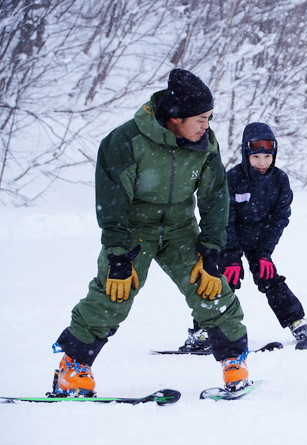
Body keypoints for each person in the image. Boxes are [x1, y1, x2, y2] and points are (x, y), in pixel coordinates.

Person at [50, 68, 252, 396]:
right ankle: (72, 368)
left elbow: (216, 195)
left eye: (209, 117)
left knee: (210, 288)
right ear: (176, 118)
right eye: (201, 118)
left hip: (180, 230)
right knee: (112, 294)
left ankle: (233, 362)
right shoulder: (125, 141)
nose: (207, 124)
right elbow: (112, 203)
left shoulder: (204, 142)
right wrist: (118, 256)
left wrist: (211, 248)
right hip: (134, 231)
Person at [178, 122, 307, 351]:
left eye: (267, 156)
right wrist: (231, 256)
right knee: (221, 281)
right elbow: (225, 218)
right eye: (256, 157)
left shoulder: (280, 180)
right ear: (246, 154)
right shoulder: (233, 178)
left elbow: (280, 218)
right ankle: (202, 331)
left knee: (269, 277)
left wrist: (264, 253)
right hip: (230, 238)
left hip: (260, 239)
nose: (262, 162)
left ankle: (297, 322)